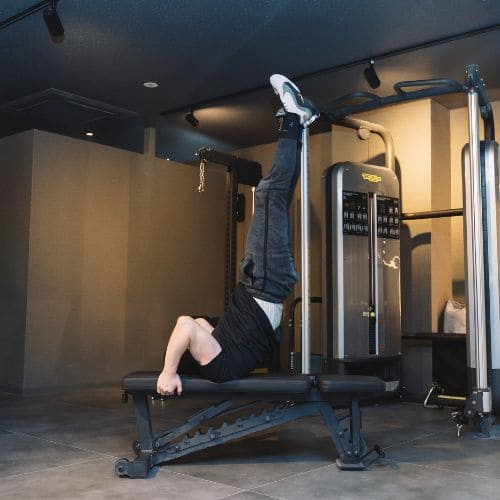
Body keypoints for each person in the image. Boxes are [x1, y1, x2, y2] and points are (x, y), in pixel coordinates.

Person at [157, 74, 319, 396]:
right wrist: (168, 372)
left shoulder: (221, 353)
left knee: (276, 197)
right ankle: (293, 119)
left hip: (265, 286)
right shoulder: (218, 367)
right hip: (263, 284)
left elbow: (198, 325)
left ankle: (299, 123)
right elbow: (185, 324)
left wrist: (199, 339)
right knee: (270, 193)